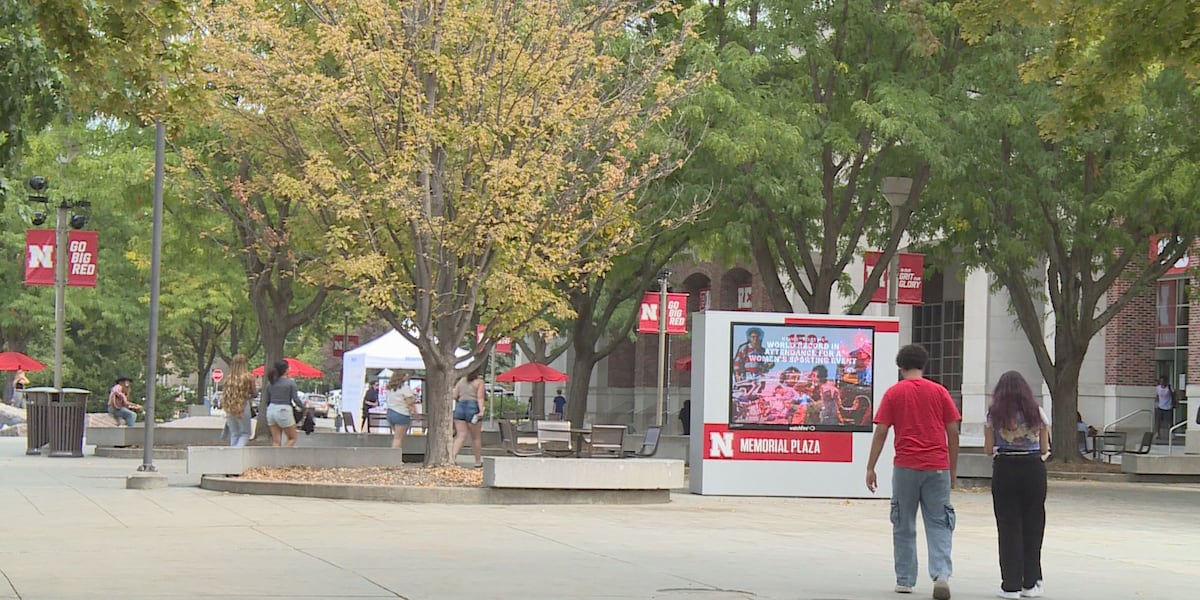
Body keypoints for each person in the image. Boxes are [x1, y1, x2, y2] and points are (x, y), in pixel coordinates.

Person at [865, 344, 960, 600]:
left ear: (900, 367)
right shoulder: (939, 392)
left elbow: (882, 431)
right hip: (937, 465)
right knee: (940, 522)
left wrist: (871, 466)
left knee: (903, 522)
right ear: (924, 365)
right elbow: (952, 432)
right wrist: (952, 469)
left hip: (906, 465)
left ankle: (905, 580)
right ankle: (941, 574)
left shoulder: (894, 393)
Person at [984, 371, 1049, 599]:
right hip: (1033, 469)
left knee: (1008, 526)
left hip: (1005, 468)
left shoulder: (994, 415)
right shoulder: (1037, 413)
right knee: (1033, 525)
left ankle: (1010, 584)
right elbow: (1044, 448)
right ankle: (1030, 584)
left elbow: (987, 448)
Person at [451, 371, 486, 467]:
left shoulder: (461, 380)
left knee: (460, 435)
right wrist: (481, 411)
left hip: (460, 407)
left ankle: (452, 458)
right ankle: (477, 461)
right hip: (473, 407)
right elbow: (480, 398)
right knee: (476, 438)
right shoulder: (479, 382)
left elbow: (454, 395)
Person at [263, 359, 301, 447]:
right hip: (284, 409)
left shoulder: (271, 383)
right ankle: (282, 456)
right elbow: (296, 399)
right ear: (286, 370)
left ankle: (274, 459)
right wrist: (304, 408)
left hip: (271, 410)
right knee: (292, 438)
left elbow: (267, 400)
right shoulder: (290, 383)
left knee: (276, 441)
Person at [222, 355, 257, 447]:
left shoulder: (228, 379)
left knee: (234, 433)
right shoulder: (249, 377)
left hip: (230, 406)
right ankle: (237, 453)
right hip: (243, 405)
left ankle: (233, 454)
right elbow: (255, 394)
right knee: (245, 433)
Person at [387, 372, 417, 453]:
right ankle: (394, 458)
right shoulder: (405, 387)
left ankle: (395, 457)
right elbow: (409, 402)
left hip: (390, 413)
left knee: (396, 436)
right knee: (398, 438)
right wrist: (415, 413)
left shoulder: (390, 388)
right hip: (401, 414)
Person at [1154, 376, 1175, 441]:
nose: (1162, 383)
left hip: (1168, 407)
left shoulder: (1169, 387)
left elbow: (1174, 394)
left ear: (1166, 381)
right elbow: (1157, 396)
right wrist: (1156, 403)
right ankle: (1157, 433)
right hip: (1160, 407)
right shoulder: (1158, 388)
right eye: (1161, 381)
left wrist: (1175, 402)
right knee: (1158, 421)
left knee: (1169, 421)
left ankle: (1171, 434)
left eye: (1163, 381)